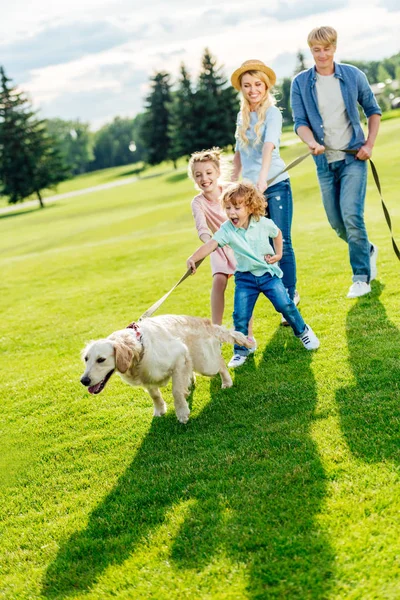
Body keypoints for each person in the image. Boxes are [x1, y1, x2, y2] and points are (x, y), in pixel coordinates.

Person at [290, 25, 381, 298]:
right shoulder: (300, 83)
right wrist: (311, 142)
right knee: (337, 223)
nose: (321, 54)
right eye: (316, 50)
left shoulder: (353, 75)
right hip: (324, 163)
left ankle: (361, 277)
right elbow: (300, 123)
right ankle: (368, 249)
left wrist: (369, 145)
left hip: (353, 157)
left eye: (326, 49)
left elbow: (373, 111)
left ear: (335, 47)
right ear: (311, 51)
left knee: (353, 216)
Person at [186, 182, 320, 368]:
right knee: (240, 315)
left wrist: (279, 254)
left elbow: (278, 233)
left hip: (268, 274)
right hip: (245, 278)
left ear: (249, 207)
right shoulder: (227, 229)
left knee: (285, 305)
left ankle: (303, 331)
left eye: (237, 208)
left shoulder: (262, 223)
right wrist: (194, 258)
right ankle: (242, 350)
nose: (232, 212)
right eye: (228, 208)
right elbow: (211, 244)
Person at [230, 59, 300, 325]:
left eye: (257, 84)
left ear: (266, 85)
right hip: (250, 191)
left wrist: (262, 181)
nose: (252, 89)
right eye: (247, 85)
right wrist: (230, 184)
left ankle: (291, 295)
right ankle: (278, 294)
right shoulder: (242, 116)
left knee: (282, 239)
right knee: (263, 245)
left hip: (275, 184)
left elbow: (269, 147)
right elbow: (238, 155)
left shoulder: (273, 113)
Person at [188, 148, 256, 348]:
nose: (204, 178)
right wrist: (209, 241)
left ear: (217, 173)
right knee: (219, 282)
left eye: (209, 173)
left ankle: (248, 335)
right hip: (217, 246)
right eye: (198, 175)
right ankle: (216, 331)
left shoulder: (231, 190)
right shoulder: (197, 202)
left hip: (240, 246)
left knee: (244, 288)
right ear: (194, 178)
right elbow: (202, 228)